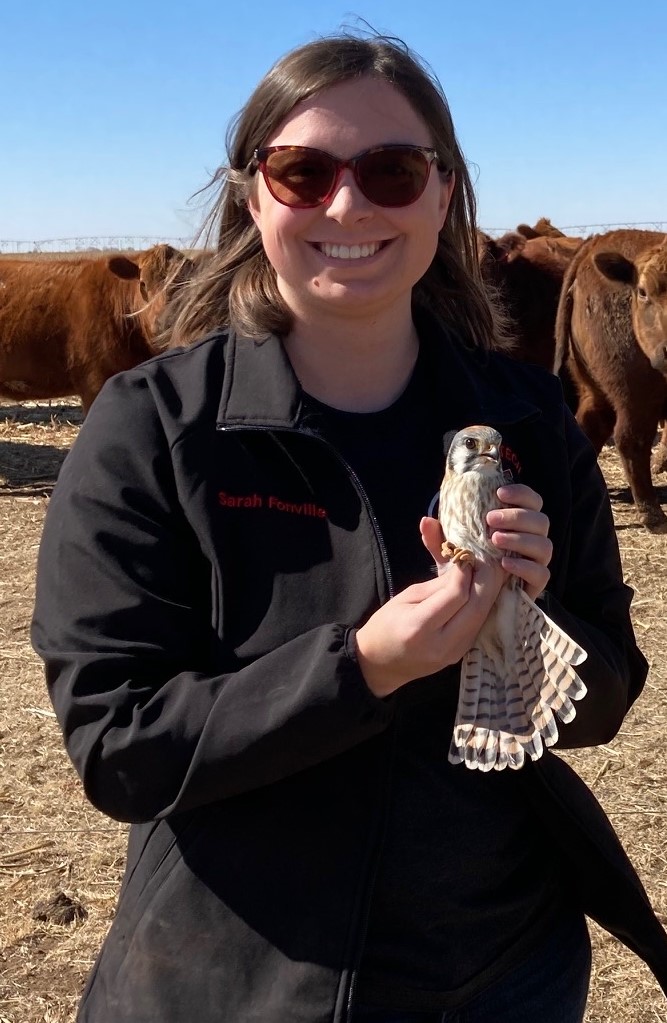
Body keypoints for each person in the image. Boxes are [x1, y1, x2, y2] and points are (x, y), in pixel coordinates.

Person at [31, 30, 667, 1023]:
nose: (346, 203)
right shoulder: (155, 428)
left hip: (500, 975)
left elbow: (604, 703)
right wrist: (365, 664)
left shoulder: (526, 420)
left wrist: (523, 629)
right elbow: (118, 748)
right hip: (231, 983)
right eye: (302, 171)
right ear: (252, 194)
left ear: (443, 193)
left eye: (390, 170)